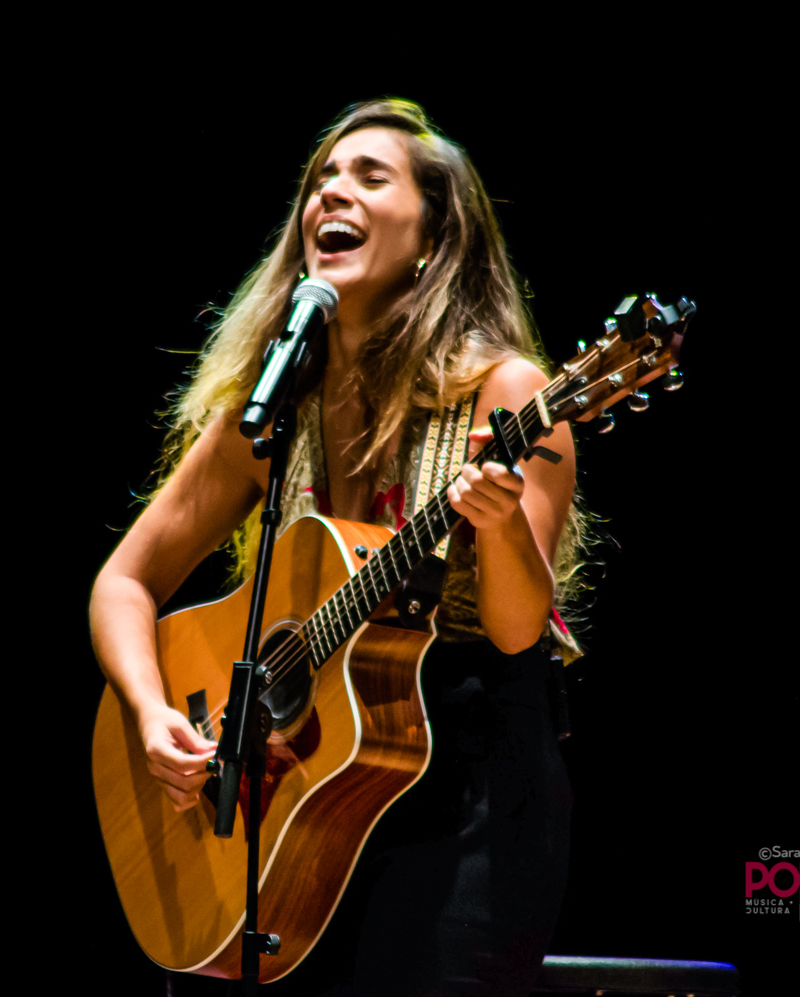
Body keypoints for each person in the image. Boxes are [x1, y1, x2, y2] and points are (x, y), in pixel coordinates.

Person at [90, 98, 578, 997]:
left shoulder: (505, 391)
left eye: (369, 176)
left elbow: (518, 633)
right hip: (296, 799)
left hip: (466, 787)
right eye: (322, 179)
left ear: (433, 237)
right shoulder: (274, 406)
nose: (332, 193)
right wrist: (155, 712)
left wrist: (501, 521)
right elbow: (124, 580)